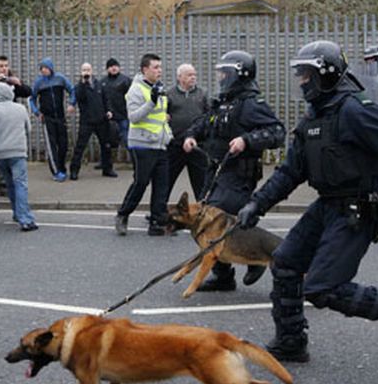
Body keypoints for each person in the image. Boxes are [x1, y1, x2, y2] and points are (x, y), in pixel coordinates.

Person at [237, 40, 378, 363]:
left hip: (357, 207)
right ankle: (291, 340)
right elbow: (290, 172)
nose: (301, 81)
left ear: (326, 74)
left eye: (306, 74)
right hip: (327, 204)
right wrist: (256, 205)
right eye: (300, 75)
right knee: (286, 262)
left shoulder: (354, 110)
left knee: (322, 288)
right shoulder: (314, 117)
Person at [183, 51, 285, 290]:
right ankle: (223, 276)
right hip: (215, 172)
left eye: (224, 73)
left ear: (238, 75)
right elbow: (203, 123)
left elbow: (277, 132)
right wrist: (190, 136)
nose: (220, 78)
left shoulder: (251, 104)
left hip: (238, 174)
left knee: (219, 218)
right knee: (211, 222)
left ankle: (255, 259)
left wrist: (247, 140)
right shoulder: (223, 103)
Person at [115, 53, 173, 237]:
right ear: (144, 69)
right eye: (155, 67)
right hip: (142, 144)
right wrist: (152, 102)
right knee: (141, 183)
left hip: (160, 143)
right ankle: (123, 214)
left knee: (162, 185)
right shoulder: (136, 89)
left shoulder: (158, 88)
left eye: (160, 67)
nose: (159, 71)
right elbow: (133, 116)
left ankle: (157, 222)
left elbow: (159, 116)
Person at [0, 82, 38, 231]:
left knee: (10, 184)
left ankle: (18, 213)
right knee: (21, 184)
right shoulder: (20, 109)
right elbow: (28, 129)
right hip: (18, 151)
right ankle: (24, 218)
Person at [166, 63, 209, 199]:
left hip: (197, 145)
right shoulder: (169, 94)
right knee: (166, 180)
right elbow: (162, 115)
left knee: (201, 183)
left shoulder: (202, 94)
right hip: (175, 145)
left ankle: (202, 212)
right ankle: (158, 212)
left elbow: (208, 116)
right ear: (180, 77)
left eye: (194, 74)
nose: (193, 77)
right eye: (189, 75)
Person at [29, 58, 76, 182]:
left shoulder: (60, 79)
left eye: (45, 67)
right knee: (51, 146)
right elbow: (32, 99)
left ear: (51, 68)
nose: (43, 70)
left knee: (63, 144)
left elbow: (72, 90)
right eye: (41, 68)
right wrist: (37, 112)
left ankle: (61, 167)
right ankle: (56, 172)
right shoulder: (39, 83)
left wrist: (72, 103)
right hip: (47, 118)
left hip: (60, 117)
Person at [70, 62, 116, 180]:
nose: (86, 72)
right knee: (80, 147)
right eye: (84, 70)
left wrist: (109, 110)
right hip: (87, 121)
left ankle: (107, 169)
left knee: (106, 145)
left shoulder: (100, 85)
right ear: (81, 72)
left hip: (101, 120)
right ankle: (74, 171)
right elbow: (79, 97)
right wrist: (83, 83)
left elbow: (106, 100)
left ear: (92, 71)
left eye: (88, 70)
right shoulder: (79, 87)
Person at [100, 58, 132, 148]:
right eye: (110, 66)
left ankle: (135, 161)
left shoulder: (126, 81)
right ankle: (107, 162)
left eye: (115, 66)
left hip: (123, 116)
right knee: (108, 143)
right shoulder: (102, 82)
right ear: (107, 69)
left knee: (127, 140)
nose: (113, 68)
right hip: (109, 117)